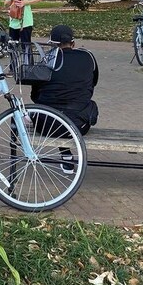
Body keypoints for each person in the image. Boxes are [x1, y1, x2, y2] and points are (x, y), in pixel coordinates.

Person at [30, 25, 98, 174]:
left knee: (54, 110)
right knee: (79, 106)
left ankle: (66, 156)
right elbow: (92, 85)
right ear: (73, 43)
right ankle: (66, 156)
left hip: (47, 125)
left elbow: (34, 96)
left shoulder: (46, 60)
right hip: (79, 124)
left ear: (51, 45)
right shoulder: (88, 57)